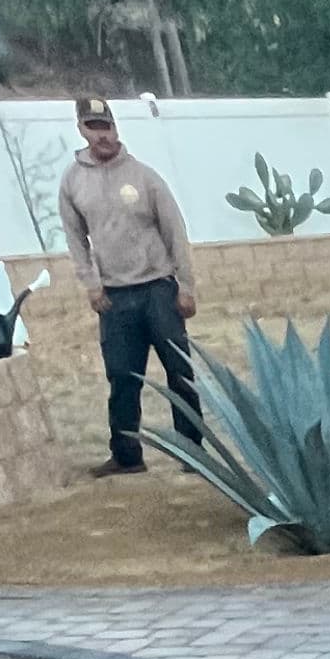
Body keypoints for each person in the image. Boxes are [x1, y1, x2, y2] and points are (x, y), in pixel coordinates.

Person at [57, 96, 203, 477]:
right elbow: (76, 239)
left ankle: (193, 455)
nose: (102, 135)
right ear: (81, 130)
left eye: (107, 126)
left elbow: (175, 230)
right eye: (94, 127)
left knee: (180, 373)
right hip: (114, 298)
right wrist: (91, 285)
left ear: (115, 128)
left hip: (158, 289)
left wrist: (185, 286)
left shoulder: (144, 176)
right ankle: (126, 456)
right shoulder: (72, 182)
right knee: (122, 378)